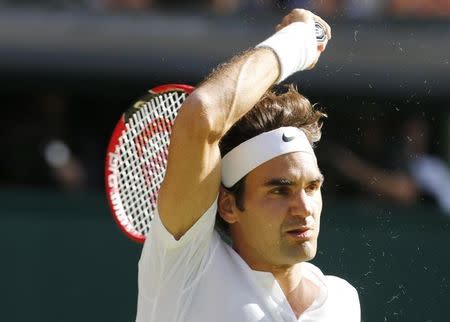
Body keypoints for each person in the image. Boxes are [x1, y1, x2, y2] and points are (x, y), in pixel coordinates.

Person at [136, 8, 361, 322]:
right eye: (279, 191)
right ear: (228, 205)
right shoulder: (186, 270)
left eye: (312, 187)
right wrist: (299, 42)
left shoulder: (342, 300)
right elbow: (203, 113)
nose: (303, 207)